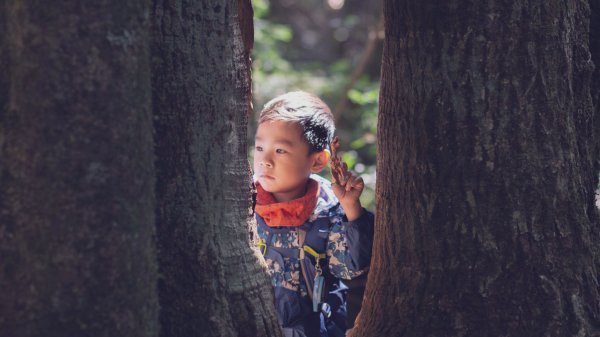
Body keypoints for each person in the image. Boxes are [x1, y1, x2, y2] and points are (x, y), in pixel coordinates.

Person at [252, 91, 374, 337]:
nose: (265, 160)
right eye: (260, 147)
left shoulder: (328, 209)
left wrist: (352, 209)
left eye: (280, 151)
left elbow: (352, 268)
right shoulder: (243, 203)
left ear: (318, 161)